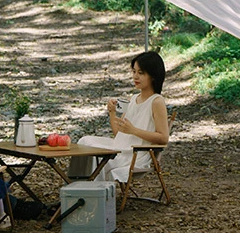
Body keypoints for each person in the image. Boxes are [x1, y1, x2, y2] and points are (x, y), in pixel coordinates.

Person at [70, 51, 169, 183]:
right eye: (134, 71)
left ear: (153, 76)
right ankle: (76, 186)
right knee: (85, 141)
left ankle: (94, 192)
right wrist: (112, 113)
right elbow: (119, 134)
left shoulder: (156, 101)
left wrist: (134, 131)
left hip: (134, 154)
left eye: (141, 73)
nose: (135, 76)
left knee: (97, 156)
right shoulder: (134, 99)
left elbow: (163, 138)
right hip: (121, 146)